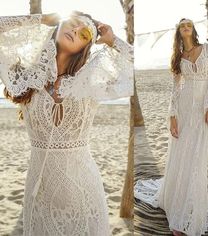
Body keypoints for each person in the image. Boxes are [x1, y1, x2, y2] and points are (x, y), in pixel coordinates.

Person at [0, 11, 133, 236]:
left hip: (85, 192)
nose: (74, 30)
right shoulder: (26, 79)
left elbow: (133, 70)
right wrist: (41, 19)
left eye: (83, 32)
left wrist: (112, 40)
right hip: (39, 194)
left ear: (86, 46)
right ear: (58, 26)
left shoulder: (90, 80)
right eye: (71, 23)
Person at [134, 18, 208, 236]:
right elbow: (175, 89)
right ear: (179, 32)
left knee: (196, 156)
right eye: (182, 26)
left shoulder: (206, 48)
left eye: (189, 25)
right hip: (183, 110)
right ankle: (177, 207)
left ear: (193, 29)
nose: (186, 28)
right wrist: (172, 116)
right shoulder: (179, 57)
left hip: (202, 110)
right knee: (181, 155)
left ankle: (190, 206)